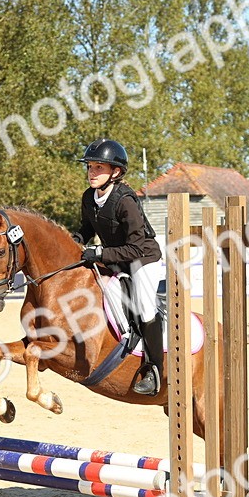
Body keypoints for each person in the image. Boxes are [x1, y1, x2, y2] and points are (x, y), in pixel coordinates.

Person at [76, 138, 166, 397]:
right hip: (116, 259)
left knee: (145, 306)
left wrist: (101, 253)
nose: (92, 173)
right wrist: (74, 242)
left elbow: (136, 247)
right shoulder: (88, 197)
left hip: (143, 259)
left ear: (115, 172)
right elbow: (85, 229)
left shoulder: (125, 200)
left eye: (98, 168)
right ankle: (122, 340)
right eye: (90, 167)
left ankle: (153, 369)